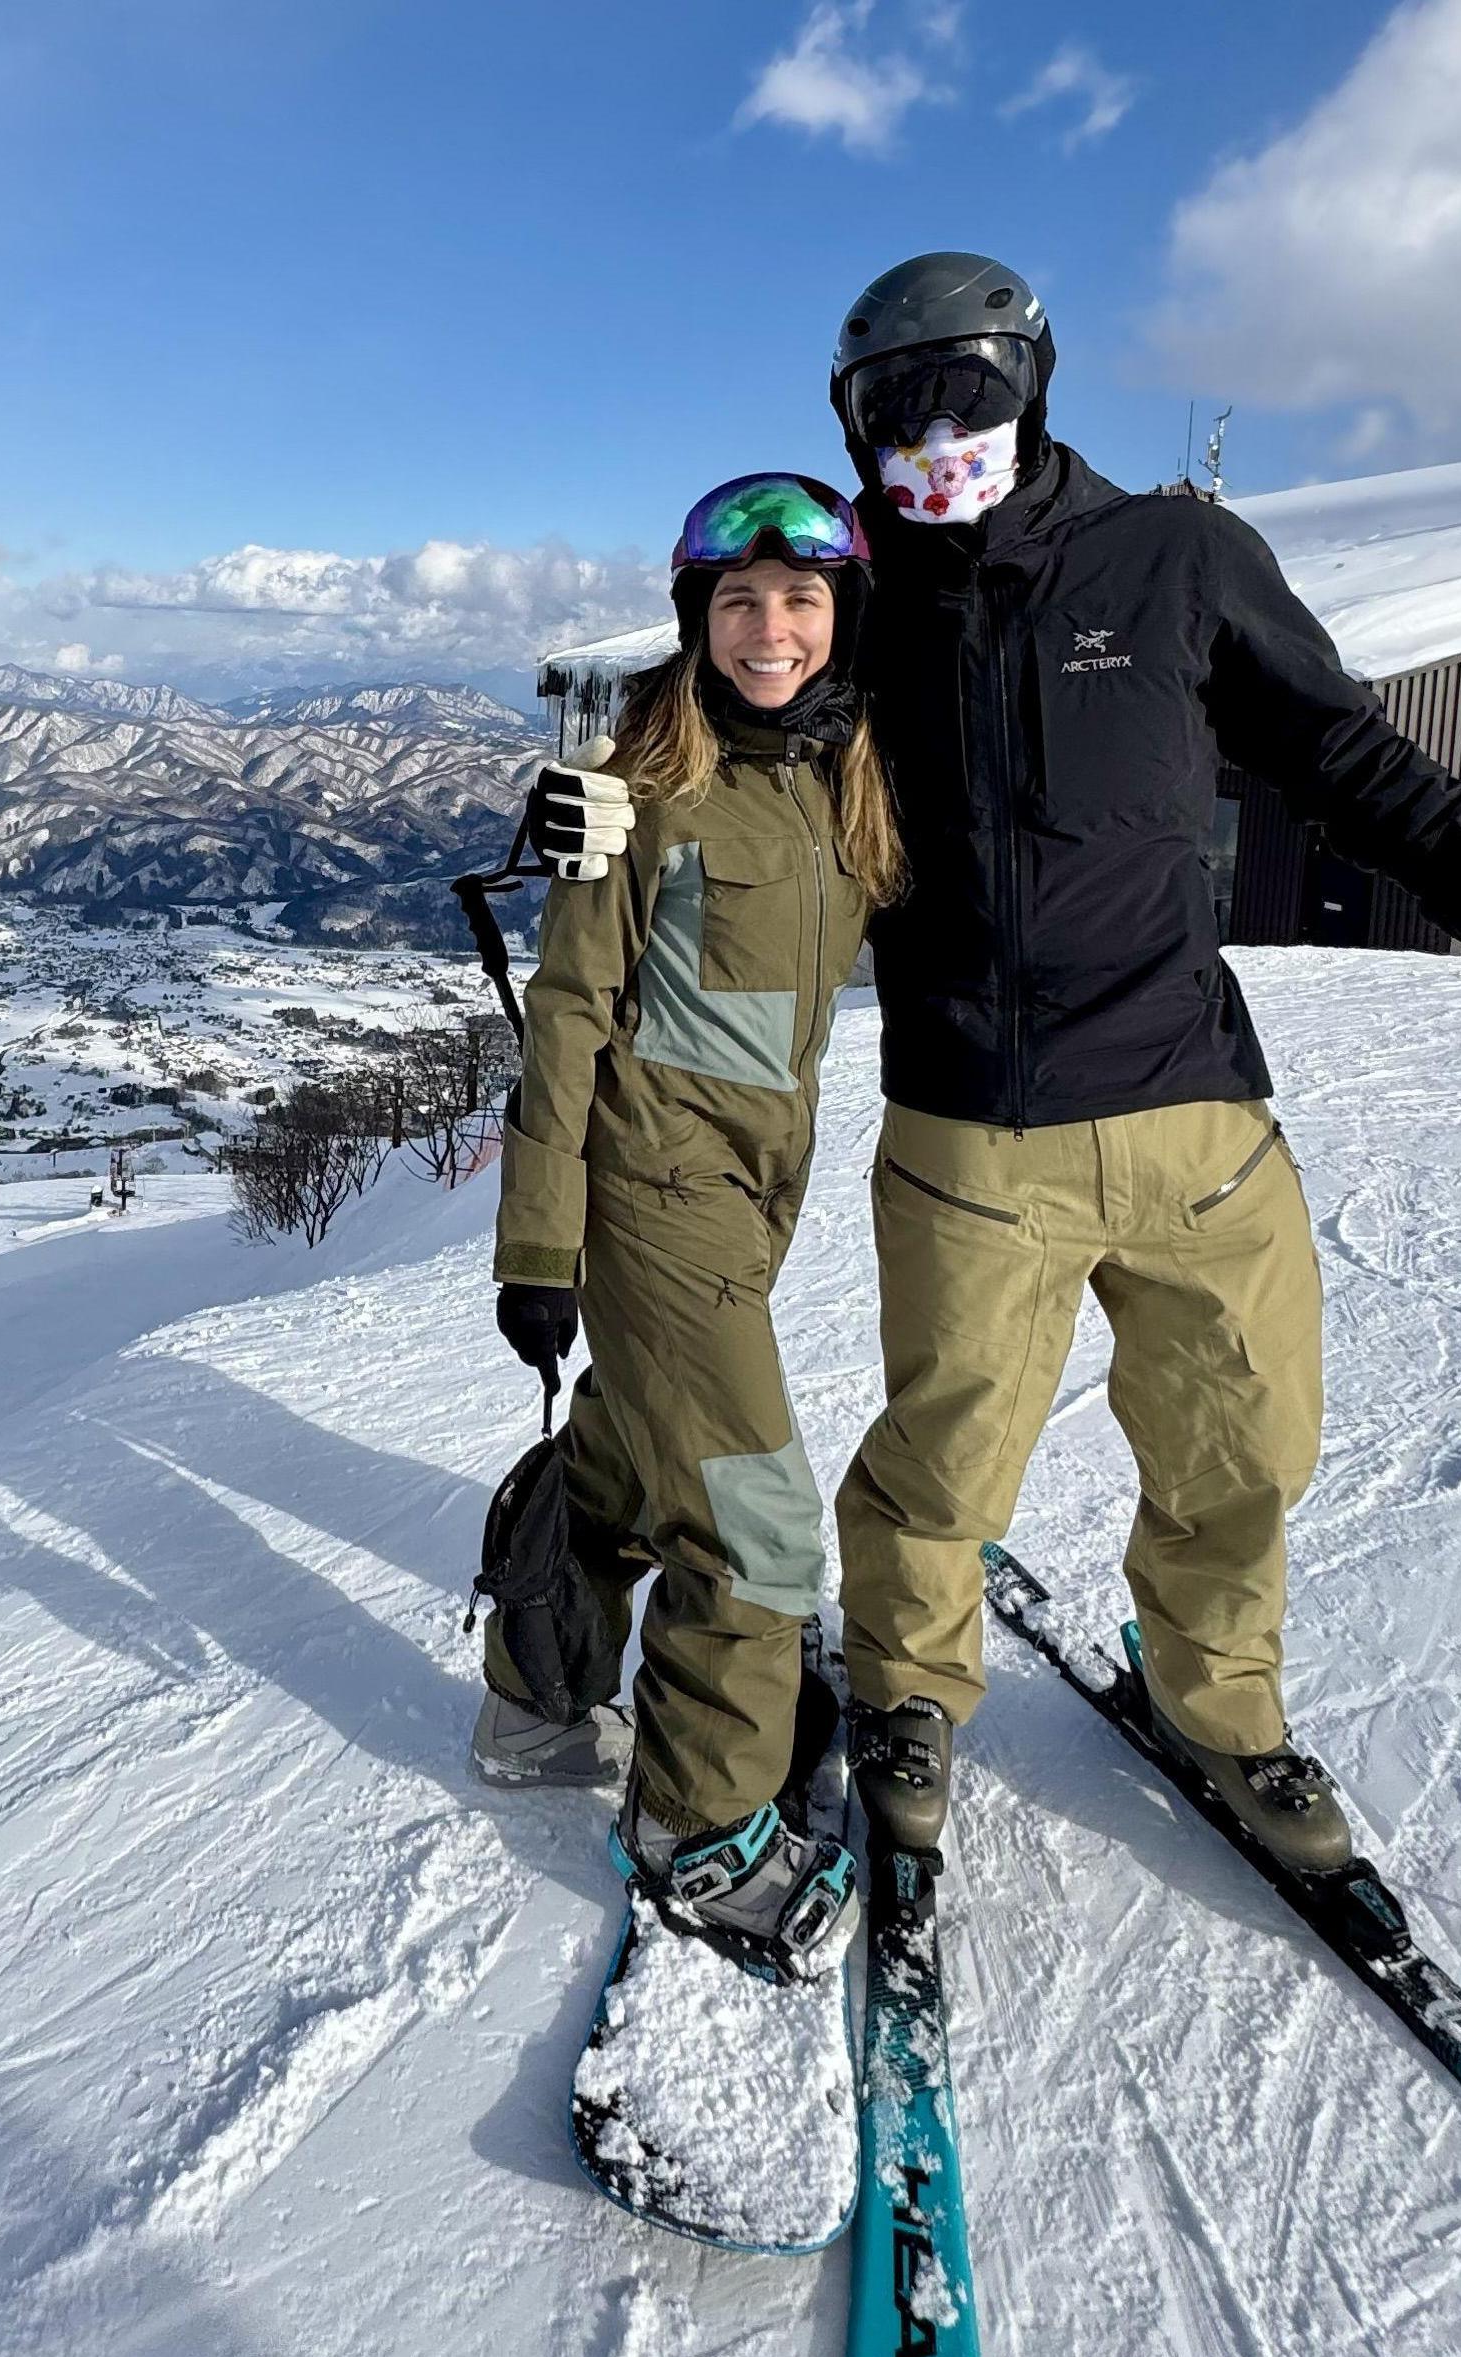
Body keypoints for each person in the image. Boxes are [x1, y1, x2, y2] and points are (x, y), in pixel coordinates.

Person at [526, 256, 1461, 1877]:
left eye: (970, 388)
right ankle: (905, 1687)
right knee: (944, 1460)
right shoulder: (877, 600)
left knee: (1245, 1445)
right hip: (971, 1130)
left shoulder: (1177, 558)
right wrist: (577, 806)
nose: (937, 426)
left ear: (1036, 384)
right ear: (854, 419)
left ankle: (1220, 1704)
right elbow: (738, 680)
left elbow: (1348, 761)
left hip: (1192, 1107)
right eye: (897, 403)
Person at [475, 471, 904, 1979]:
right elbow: (571, 1016)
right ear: (695, 618)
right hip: (651, 1194)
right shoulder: (639, 784)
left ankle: (534, 1700)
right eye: (736, 603)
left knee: (620, 1456)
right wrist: (538, 1248)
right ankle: (697, 1824)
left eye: (798, 602)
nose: (767, 630)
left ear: (842, 617)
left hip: (752, 1186)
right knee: (753, 1519)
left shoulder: (847, 773)